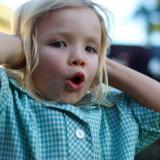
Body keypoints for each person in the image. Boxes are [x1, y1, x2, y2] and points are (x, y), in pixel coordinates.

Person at [0, 0, 160, 159]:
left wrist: (107, 68)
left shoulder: (115, 116)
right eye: (59, 44)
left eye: (90, 49)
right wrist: (19, 47)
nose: (79, 57)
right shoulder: (9, 102)